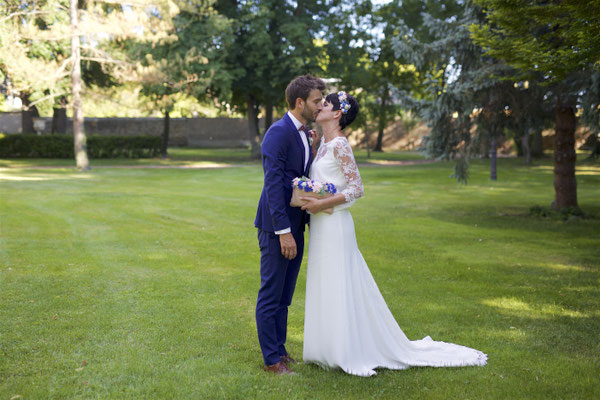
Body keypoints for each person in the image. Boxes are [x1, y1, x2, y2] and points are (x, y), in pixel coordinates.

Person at [299, 91, 488, 377]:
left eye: (325, 104)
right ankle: (325, 348)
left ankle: (346, 351)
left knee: (339, 282)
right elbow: (325, 180)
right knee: (324, 281)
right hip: (322, 226)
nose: (320, 107)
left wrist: (322, 203)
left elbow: (356, 188)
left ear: (337, 114)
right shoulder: (323, 143)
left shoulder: (340, 145)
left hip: (336, 225)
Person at [254, 74, 326, 375]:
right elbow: (273, 184)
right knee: (271, 293)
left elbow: (299, 176)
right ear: (300, 102)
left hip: (297, 222)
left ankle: (281, 351)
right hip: (276, 226)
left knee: (285, 295)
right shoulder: (278, 132)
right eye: (316, 101)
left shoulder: (304, 133)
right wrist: (284, 232)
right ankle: (271, 360)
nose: (320, 105)